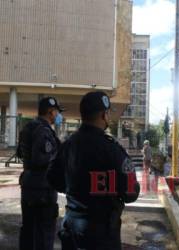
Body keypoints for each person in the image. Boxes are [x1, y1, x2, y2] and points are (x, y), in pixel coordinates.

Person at [47, 91, 140, 250]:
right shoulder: (111, 149)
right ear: (104, 115)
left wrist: (74, 189)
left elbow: (53, 178)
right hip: (100, 234)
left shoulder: (68, 145)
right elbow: (130, 192)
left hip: (71, 228)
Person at [17, 97, 64, 250]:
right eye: (57, 112)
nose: (58, 116)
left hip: (28, 185)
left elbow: (20, 153)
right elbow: (41, 159)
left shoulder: (28, 127)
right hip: (42, 189)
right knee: (44, 232)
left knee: (29, 230)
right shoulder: (43, 131)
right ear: (50, 112)